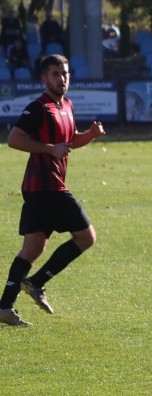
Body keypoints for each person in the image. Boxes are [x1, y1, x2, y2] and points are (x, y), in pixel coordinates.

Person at [0, 54, 106, 327]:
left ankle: (4, 308)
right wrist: (49, 149)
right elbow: (14, 139)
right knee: (87, 237)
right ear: (44, 78)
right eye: (56, 74)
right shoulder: (38, 107)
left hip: (41, 189)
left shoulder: (67, 105)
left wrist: (89, 136)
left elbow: (68, 142)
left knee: (33, 248)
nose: (63, 79)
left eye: (66, 73)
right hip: (47, 187)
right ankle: (36, 282)